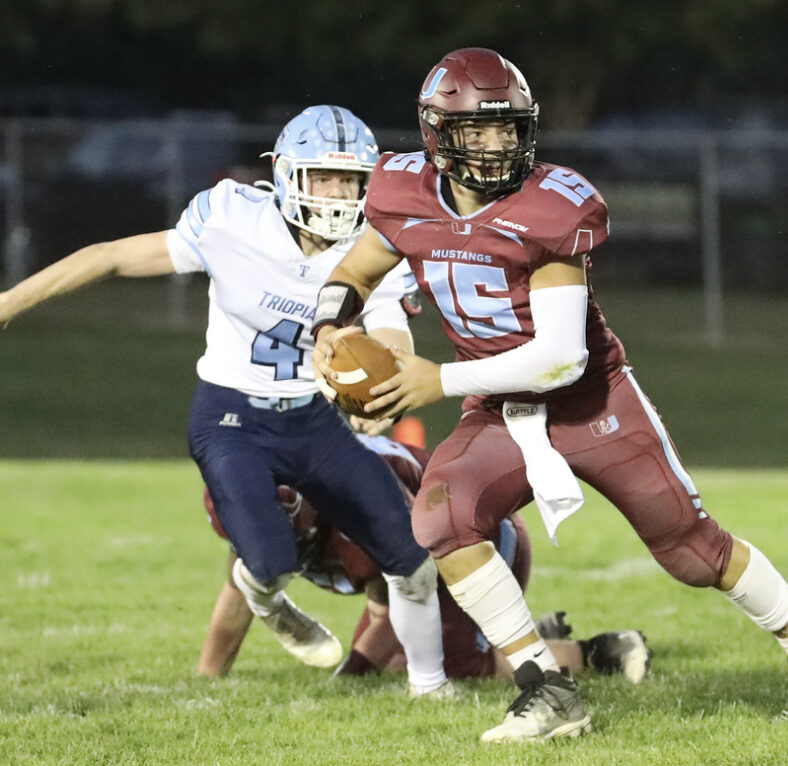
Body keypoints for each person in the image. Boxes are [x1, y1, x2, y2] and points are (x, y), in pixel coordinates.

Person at [311, 48, 788, 742]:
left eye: (508, 129)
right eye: (477, 132)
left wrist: (438, 379)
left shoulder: (549, 205)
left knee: (693, 552)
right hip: (497, 406)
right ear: (436, 134)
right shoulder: (402, 192)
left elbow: (557, 358)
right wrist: (328, 326)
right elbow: (358, 268)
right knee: (440, 519)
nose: (496, 147)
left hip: (590, 402)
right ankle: (547, 689)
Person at [0, 105, 451, 697]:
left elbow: (393, 335)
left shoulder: (376, 248)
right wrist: (10, 302)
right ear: (288, 175)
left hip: (314, 421)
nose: (339, 195)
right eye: (324, 177)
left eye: (350, 180)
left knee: (410, 552)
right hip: (232, 416)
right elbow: (110, 255)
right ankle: (265, 592)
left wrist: (379, 384)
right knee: (269, 562)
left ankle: (432, 687)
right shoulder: (233, 220)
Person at [197, 432, 652, 684]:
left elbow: (392, 605)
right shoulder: (271, 488)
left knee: (455, 666)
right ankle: (504, 631)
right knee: (396, 664)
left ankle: (601, 651)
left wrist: (351, 674)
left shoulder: (357, 512)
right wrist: (208, 677)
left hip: (478, 542)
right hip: (418, 562)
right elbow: (239, 591)